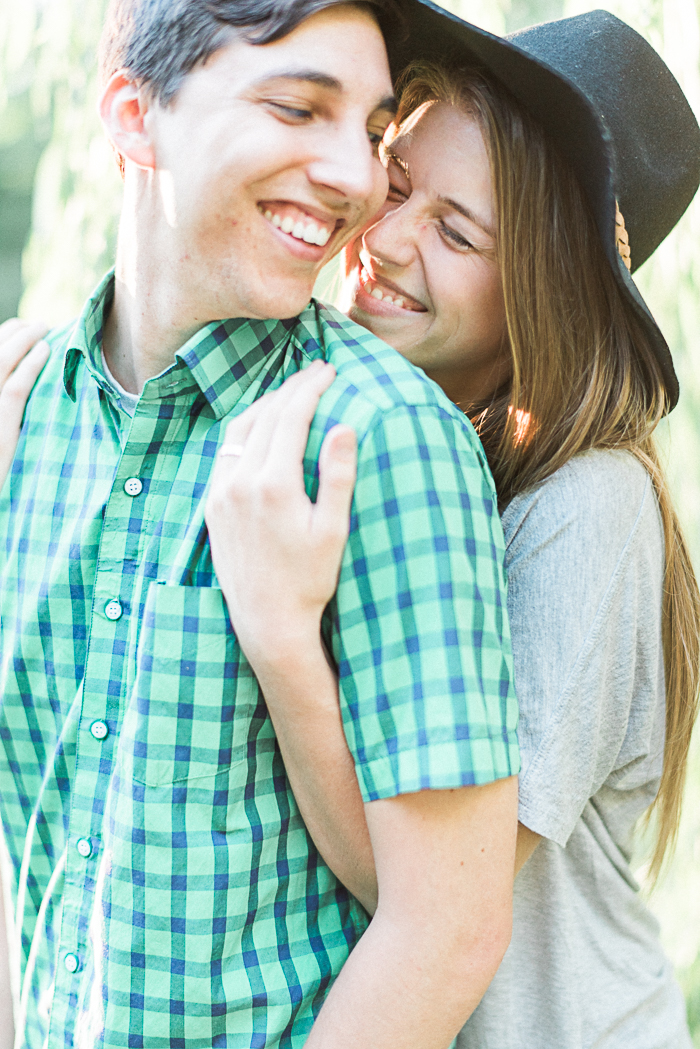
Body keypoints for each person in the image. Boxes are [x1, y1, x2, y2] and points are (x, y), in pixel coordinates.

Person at [0, 1, 522, 1047]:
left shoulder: (386, 439)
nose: (356, 179)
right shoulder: (27, 416)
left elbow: (448, 927)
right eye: (298, 109)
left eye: (371, 133)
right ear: (133, 118)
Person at [204, 9, 700, 1049]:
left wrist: (284, 636)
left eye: (457, 231)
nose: (380, 239)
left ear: (544, 292)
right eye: (394, 183)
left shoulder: (586, 506)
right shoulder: (402, 442)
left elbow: (427, 893)